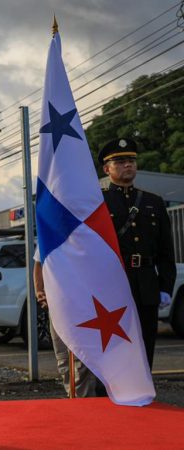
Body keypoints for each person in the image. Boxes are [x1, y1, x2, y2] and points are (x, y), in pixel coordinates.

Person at [98, 138, 176, 369]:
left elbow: (166, 251)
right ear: (107, 169)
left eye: (131, 160)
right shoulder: (98, 203)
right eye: (120, 161)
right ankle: (109, 395)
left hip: (146, 283)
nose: (127, 165)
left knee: (145, 341)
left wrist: (165, 287)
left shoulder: (154, 202)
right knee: (113, 343)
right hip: (112, 283)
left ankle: (141, 392)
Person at [33, 261, 101, 397]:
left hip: (82, 302)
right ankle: (72, 397)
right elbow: (39, 262)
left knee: (82, 359)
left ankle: (84, 403)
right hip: (57, 303)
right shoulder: (50, 239)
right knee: (63, 359)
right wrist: (39, 290)